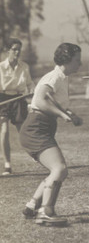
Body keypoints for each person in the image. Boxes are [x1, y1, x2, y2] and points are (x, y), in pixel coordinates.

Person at [20, 43, 83, 226]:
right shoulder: (54, 77)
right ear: (67, 60)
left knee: (56, 170)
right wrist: (62, 115)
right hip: (35, 128)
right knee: (60, 169)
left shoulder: (62, 78)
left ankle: (32, 205)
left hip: (42, 128)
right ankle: (45, 211)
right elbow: (40, 100)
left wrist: (70, 114)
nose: (80, 64)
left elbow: (55, 103)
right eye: (77, 60)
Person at [0, 39, 34, 175]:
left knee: (23, 131)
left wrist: (32, 91)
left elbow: (30, 84)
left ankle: (35, 155)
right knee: (4, 130)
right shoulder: (1, 67)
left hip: (19, 99)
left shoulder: (24, 66)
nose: (17, 52)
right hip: (3, 99)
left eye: (19, 49)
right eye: (14, 49)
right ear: (8, 50)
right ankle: (7, 165)